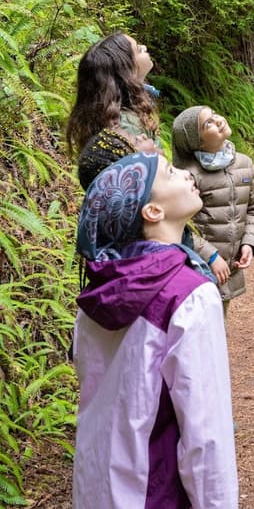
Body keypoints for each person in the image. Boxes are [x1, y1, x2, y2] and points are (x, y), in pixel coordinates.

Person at [73, 151, 238, 509]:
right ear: (153, 212)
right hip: (154, 493)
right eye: (170, 171)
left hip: (96, 488)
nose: (186, 173)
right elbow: (207, 436)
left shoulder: (95, 298)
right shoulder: (189, 295)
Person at [172, 106, 254, 315]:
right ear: (198, 142)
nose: (218, 120)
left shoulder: (244, 164)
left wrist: (250, 242)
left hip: (228, 271)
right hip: (196, 269)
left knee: (218, 324)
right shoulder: (189, 176)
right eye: (208, 124)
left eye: (214, 115)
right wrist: (211, 256)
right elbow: (177, 226)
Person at [66, 32, 160, 158]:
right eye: (139, 50)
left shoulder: (113, 117)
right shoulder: (126, 126)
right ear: (127, 70)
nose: (145, 48)